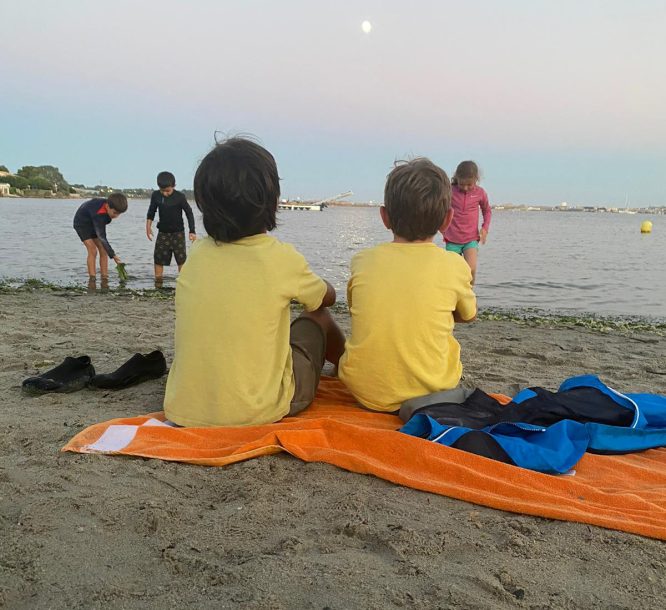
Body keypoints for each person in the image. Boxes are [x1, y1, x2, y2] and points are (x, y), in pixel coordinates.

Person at [164, 137, 345, 427]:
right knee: (317, 316)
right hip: (258, 411)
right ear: (272, 202)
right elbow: (328, 298)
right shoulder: (281, 259)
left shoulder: (196, 255)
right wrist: (318, 285)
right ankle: (348, 371)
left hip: (182, 408)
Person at [338, 158, 477, 412]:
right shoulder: (455, 265)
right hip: (432, 392)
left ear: (385, 217)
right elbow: (468, 315)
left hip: (367, 394)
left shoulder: (362, 261)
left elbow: (356, 307)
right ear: (448, 220)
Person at [441, 160, 491, 284]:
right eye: (462, 184)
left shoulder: (480, 193)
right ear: (457, 178)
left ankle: (469, 297)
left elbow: (487, 211)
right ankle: (455, 299)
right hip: (452, 239)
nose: (465, 188)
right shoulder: (450, 191)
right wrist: (441, 228)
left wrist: (485, 228)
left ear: (476, 179)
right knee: (453, 273)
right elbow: (440, 208)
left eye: (469, 184)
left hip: (471, 239)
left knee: (471, 270)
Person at [146, 171, 197, 284]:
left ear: (174, 186)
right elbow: (151, 211)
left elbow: (189, 213)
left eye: (168, 191)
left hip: (178, 233)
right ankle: (158, 281)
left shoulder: (180, 197)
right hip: (163, 232)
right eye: (162, 191)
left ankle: (182, 282)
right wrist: (148, 227)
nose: (165, 194)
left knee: (181, 259)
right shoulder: (156, 196)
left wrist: (192, 231)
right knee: (158, 258)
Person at [73, 193, 127, 282]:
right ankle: (92, 278)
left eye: (119, 214)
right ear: (108, 206)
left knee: (103, 249)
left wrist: (110, 252)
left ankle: (104, 277)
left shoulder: (107, 209)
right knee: (92, 250)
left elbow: (101, 235)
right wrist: (113, 255)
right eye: (115, 213)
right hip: (81, 224)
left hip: (93, 222)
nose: (116, 216)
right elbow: (102, 237)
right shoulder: (98, 214)